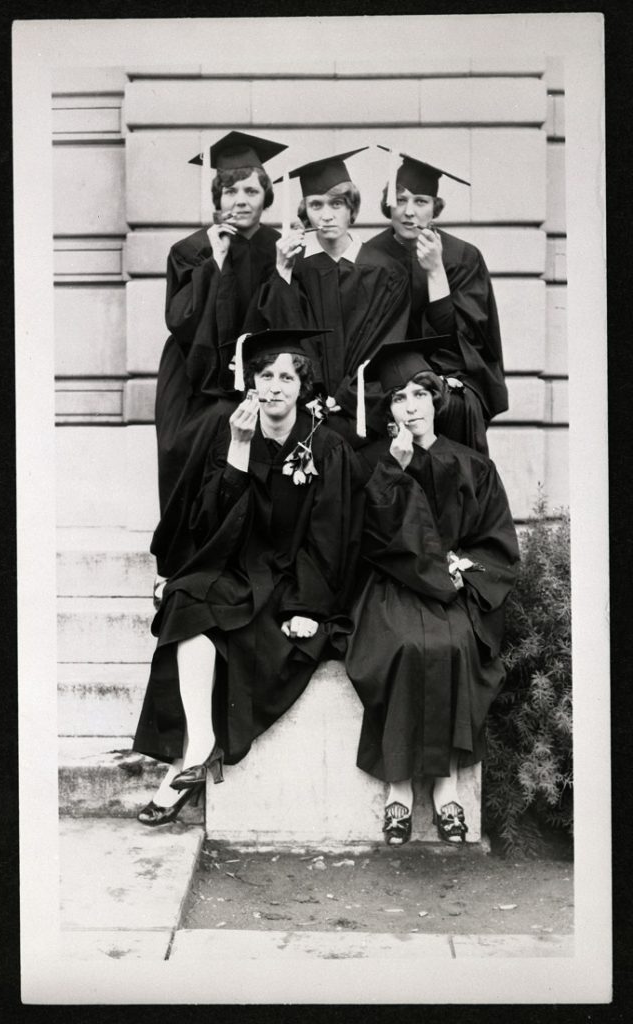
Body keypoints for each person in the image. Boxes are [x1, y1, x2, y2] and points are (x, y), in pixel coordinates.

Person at [133, 329, 358, 826]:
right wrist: (238, 447)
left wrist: (307, 606)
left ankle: (183, 768)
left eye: (285, 377)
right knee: (188, 598)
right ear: (251, 382)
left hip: (292, 582)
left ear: (303, 386)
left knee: (234, 633)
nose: (274, 386)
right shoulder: (232, 431)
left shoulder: (326, 446)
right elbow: (211, 525)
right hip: (239, 567)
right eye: (265, 375)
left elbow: (329, 538)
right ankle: (201, 744)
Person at [346, 338, 519, 846]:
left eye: (419, 394)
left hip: (453, 587)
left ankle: (445, 789)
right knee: (404, 646)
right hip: (393, 585)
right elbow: (371, 541)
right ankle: (398, 791)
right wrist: (394, 473)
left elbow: (496, 540)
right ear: (388, 410)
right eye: (399, 398)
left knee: (452, 645)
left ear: (436, 398)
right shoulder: (375, 464)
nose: (411, 406)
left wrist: (467, 568)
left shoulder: (472, 464)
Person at [154, 130, 287, 524]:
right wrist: (214, 260)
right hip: (191, 376)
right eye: (230, 192)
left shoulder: (276, 248)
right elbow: (181, 321)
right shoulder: (189, 250)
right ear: (218, 198)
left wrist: (284, 270)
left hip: (254, 372)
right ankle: (179, 563)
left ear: (266, 196)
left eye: (250, 191)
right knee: (181, 452)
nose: (241, 201)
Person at [256, 149, 409, 447]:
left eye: (336, 204)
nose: (326, 215)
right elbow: (284, 337)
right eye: (316, 205)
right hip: (305, 413)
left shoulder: (386, 271)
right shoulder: (294, 268)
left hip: (363, 412)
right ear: (305, 214)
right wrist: (283, 274)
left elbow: (389, 345)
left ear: (351, 208)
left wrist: (346, 396)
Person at [363, 148, 508, 454]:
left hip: (448, 372)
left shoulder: (462, 257)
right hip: (386, 375)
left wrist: (435, 271)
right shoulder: (368, 257)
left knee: (455, 404)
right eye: (400, 200)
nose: (409, 211)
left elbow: (463, 342)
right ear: (388, 205)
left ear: (435, 208)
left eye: (420, 201)